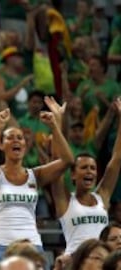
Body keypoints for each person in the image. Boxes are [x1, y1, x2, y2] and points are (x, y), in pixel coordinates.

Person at [0, 97, 74, 270]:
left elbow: (67, 160)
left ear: (25, 145)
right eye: (10, 138)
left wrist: (54, 125)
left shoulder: (35, 175)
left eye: (20, 138)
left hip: (32, 246)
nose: (16, 140)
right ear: (1, 145)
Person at [49, 97, 121, 255]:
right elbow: (55, 162)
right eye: (84, 168)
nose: (90, 171)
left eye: (93, 168)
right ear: (73, 174)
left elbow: (116, 159)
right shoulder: (65, 200)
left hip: (101, 262)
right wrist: (57, 123)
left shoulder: (103, 196)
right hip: (74, 262)